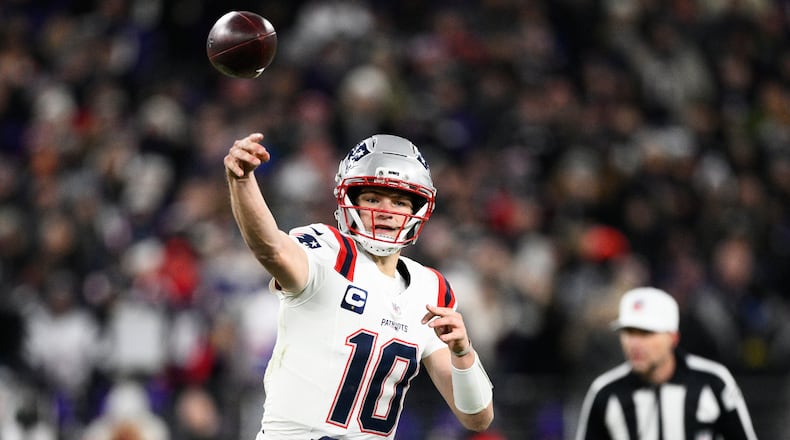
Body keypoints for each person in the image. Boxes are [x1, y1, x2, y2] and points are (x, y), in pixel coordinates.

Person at [224, 133, 494, 439]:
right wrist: (243, 181)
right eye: (373, 198)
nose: (386, 211)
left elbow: (477, 418)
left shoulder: (430, 290)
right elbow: (271, 248)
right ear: (350, 201)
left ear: (417, 210)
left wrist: (463, 352)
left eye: (400, 201)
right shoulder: (329, 252)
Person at [574, 287, 757, 440]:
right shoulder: (605, 392)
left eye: (646, 333)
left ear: (673, 337)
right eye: (629, 332)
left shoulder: (712, 381)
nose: (634, 343)